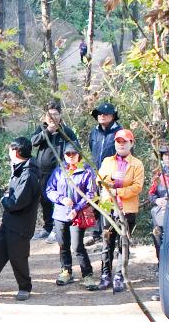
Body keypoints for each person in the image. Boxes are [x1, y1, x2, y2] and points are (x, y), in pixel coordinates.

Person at [0, 138, 43, 300]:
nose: (8, 153)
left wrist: (4, 200)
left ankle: (25, 286)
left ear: (16, 152)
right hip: (9, 221)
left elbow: (16, 202)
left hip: (21, 225)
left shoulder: (28, 174)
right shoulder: (19, 168)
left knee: (18, 257)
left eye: (10, 150)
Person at [97, 129, 144, 292]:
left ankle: (119, 276)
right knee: (106, 243)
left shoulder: (137, 164)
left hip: (127, 209)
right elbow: (99, 179)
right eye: (119, 141)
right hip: (108, 207)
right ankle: (105, 276)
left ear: (132, 143)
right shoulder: (107, 161)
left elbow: (137, 186)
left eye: (125, 141)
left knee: (122, 244)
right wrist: (110, 182)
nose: (121, 144)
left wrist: (119, 191)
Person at [46, 144, 99, 289]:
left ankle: (87, 275)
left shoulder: (87, 171)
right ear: (64, 155)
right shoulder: (59, 171)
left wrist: (77, 208)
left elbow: (91, 194)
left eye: (73, 154)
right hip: (60, 214)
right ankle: (66, 271)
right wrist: (61, 198)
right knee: (63, 245)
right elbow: (49, 189)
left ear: (78, 155)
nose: (70, 156)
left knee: (77, 246)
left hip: (78, 215)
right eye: (67, 154)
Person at [30, 100, 79, 243]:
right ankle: (47, 227)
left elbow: (75, 147)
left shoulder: (66, 131)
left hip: (61, 173)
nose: (53, 117)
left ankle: (57, 230)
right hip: (43, 171)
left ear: (60, 115)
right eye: (50, 114)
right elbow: (33, 142)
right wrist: (48, 132)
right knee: (44, 199)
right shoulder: (41, 129)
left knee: (60, 199)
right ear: (45, 117)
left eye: (55, 114)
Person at [88, 102, 121, 169]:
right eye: (99, 113)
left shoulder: (120, 133)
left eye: (106, 113)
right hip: (96, 174)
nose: (102, 115)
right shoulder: (94, 132)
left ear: (113, 116)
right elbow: (92, 149)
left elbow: (127, 157)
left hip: (113, 174)